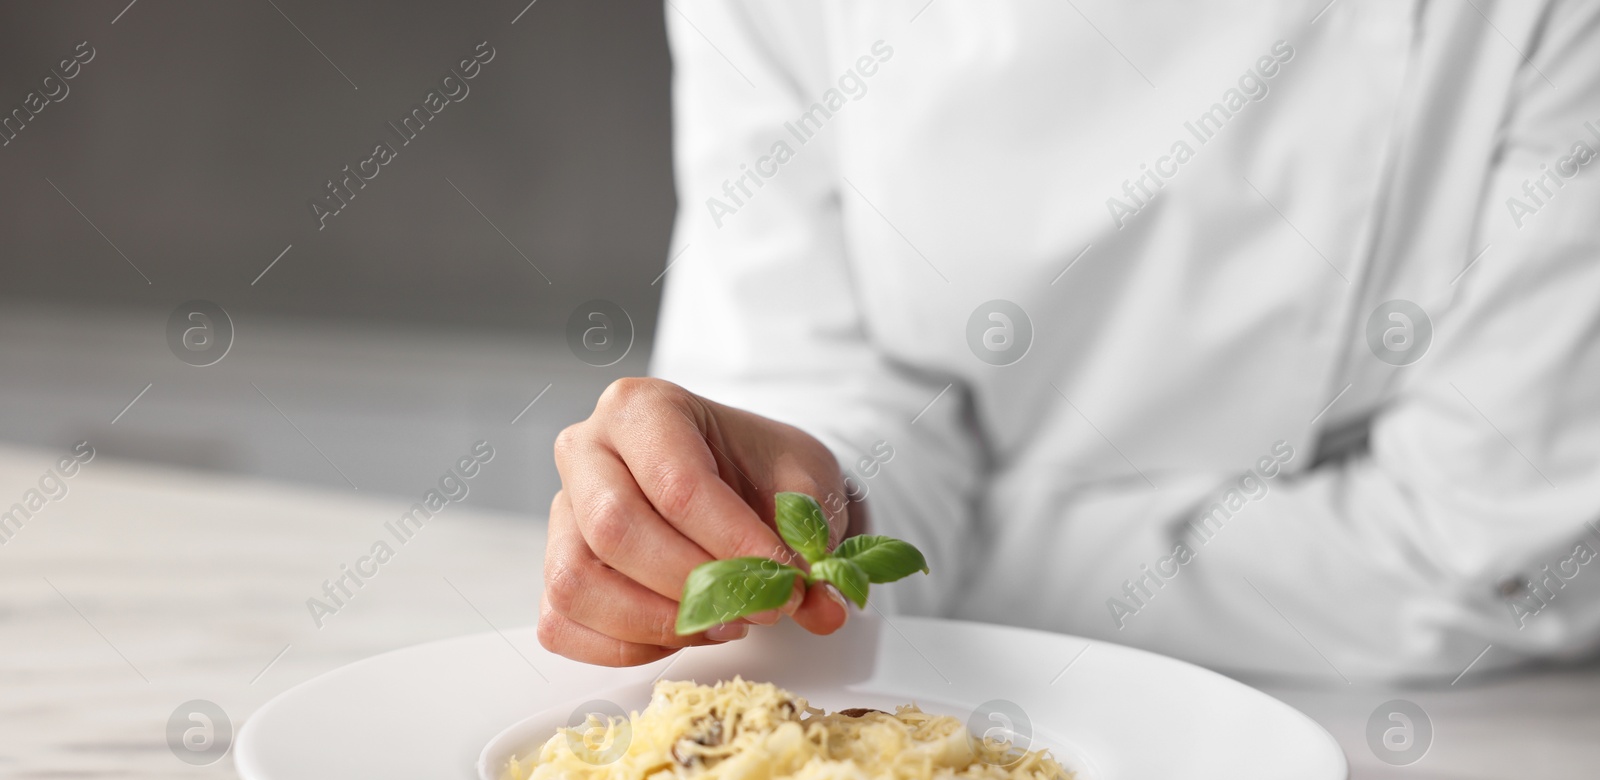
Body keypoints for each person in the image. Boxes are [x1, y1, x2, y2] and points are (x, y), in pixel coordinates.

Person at [540, 0, 1600, 682]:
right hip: (920, 715)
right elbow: (813, 394)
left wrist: (946, 553)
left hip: (1443, 749)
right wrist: (779, 502)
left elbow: (1497, 554)